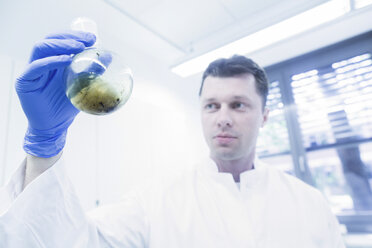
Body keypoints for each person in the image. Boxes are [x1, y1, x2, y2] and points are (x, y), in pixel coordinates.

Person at [0, 31, 345, 248]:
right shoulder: (155, 200)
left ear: (265, 116)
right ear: (201, 112)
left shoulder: (310, 204)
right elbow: (74, 242)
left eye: (238, 104)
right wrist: (45, 145)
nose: (223, 116)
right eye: (212, 105)